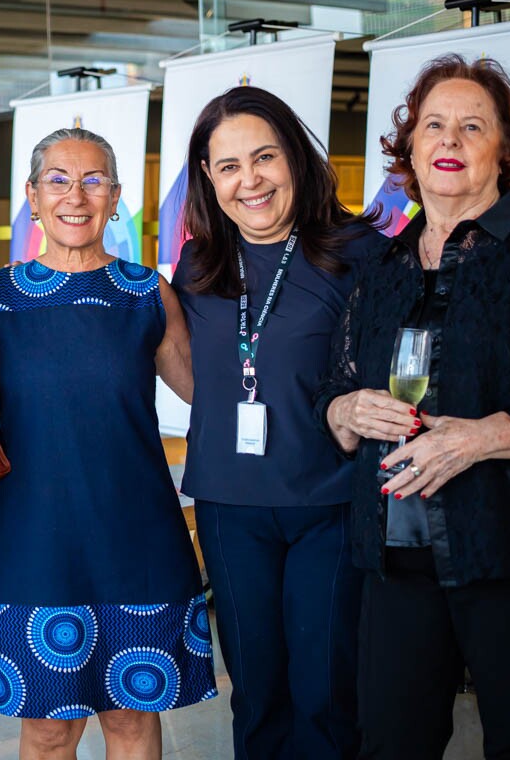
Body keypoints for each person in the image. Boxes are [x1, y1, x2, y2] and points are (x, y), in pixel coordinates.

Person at [317, 54, 510, 760]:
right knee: (392, 745)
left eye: (472, 126)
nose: (449, 141)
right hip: (396, 559)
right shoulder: (382, 270)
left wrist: (480, 438)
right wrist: (348, 413)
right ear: (410, 149)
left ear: (507, 151)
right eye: (433, 125)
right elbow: (331, 394)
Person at [0, 127, 217, 759]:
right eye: (58, 179)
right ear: (32, 195)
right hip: (33, 538)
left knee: (132, 719)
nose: (75, 195)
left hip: (136, 534)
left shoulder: (146, 292)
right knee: (47, 729)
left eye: (93, 180)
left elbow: (207, 393)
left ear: (115, 198)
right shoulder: (2, 295)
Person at [170, 86, 378, 760]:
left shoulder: (359, 252)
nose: (249, 180)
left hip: (330, 502)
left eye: (264, 157)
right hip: (231, 507)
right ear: (208, 176)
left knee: (325, 692)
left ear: (295, 156)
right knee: (256, 693)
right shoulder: (197, 264)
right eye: (228, 166)